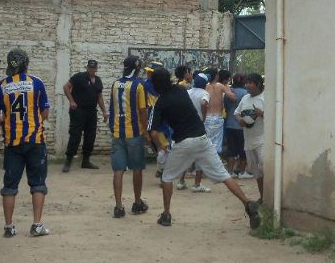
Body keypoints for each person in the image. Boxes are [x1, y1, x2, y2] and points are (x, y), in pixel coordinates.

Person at [147, 67, 261, 228]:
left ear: (155, 84)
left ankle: (166, 215)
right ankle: (247, 203)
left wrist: (160, 147)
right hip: (202, 138)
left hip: (183, 142)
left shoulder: (160, 102)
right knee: (224, 175)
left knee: (167, 177)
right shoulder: (181, 90)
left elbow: (153, 133)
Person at [0, 49, 51, 238]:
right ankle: (37, 225)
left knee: (9, 185)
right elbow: (45, 111)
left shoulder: (1, 86)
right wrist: (34, 122)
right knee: (38, 183)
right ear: (26, 64)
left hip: (12, 143)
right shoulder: (36, 83)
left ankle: (9, 227)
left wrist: (6, 123)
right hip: (35, 141)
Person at [108, 55, 150, 218]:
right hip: (134, 133)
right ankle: (137, 202)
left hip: (117, 133)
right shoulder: (139, 85)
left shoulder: (115, 84)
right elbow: (142, 111)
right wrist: (146, 131)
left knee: (118, 170)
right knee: (137, 168)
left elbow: (112, 108)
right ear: (137, 68)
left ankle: (118, 206)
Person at [62, 59, 107, 172]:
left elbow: (99, 97)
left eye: (93, 68)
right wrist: (72, 101)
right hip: (78, 111)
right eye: (90, 67)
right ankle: (68, 160)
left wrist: (104, 111)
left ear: (96, 69)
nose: (91, 69)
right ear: (87, 67)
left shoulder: (98, 80)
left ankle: (85, 161)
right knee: (75, 135)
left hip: (91, 112)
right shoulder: (79, 77)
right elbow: (66, 87)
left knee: (90, 136)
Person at [234, 74, 266, 202]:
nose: (247, 85)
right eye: (246, 83)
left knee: (264, 167)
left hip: (263, 139)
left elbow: (275, 116)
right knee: (256, 171)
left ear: (258, 84)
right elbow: (236, 113)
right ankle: (262, 197)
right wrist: (240, 120)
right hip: (248, 139)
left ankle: (269, 198)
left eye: (250, 83)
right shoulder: (245, 98)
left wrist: (262, 114)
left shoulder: (265, 98)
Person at [182, 73, 212, 193]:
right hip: (198, 127)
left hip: (186, 126)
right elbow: (204, 103)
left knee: (186, 155)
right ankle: (197, 184)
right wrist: (203, 116)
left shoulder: (188, 92)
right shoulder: (205, 93)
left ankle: (181, 181)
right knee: (201, 155)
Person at [204, 68, 236, 157]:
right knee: (217, 144)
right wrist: (228, 88)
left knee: (207, 142)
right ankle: (215, 160)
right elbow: (233, 97)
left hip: (206, 118)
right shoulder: (220, 86)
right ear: (216, 76)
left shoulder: (205, 86)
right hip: (217, 117)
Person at [224, 73, 248, 178]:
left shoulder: (229, 93)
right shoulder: (246, 93)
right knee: (243, 149)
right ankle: (242, 172)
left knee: (231, 149)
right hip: (242, 125)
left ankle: (230, 172)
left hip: (230, 124)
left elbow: (226, 107)